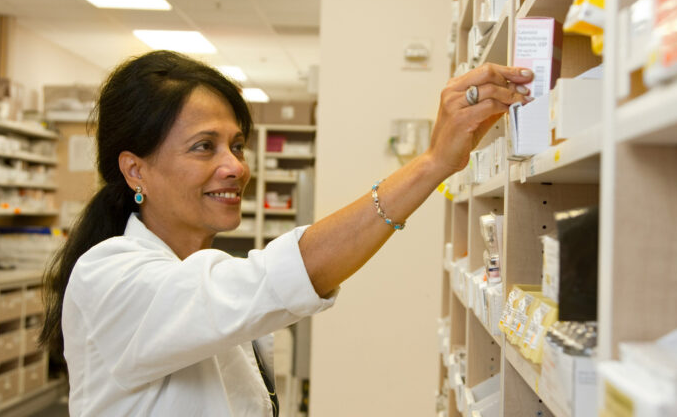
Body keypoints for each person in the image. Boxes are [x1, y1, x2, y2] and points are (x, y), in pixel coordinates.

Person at [40, 50, 533, 416]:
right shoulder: (109, 278)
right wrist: (430, 165)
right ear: (135, 171)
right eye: (203, 147)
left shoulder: (200, 277)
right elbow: (280, 276)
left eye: (236, 145)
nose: (234, 166)